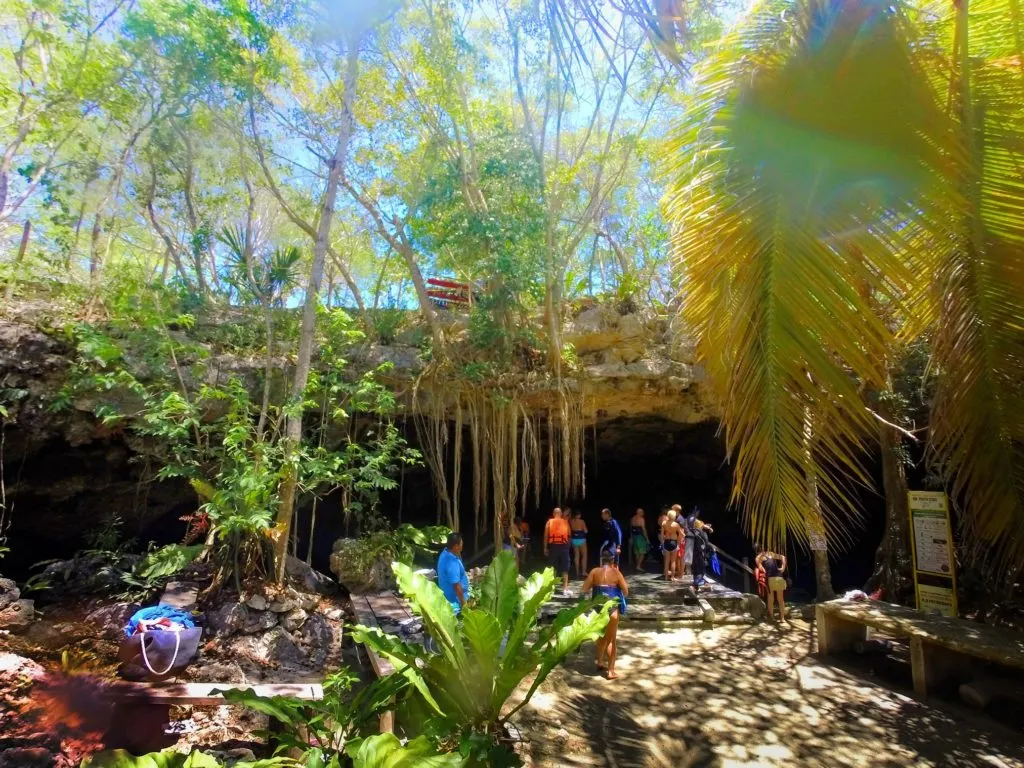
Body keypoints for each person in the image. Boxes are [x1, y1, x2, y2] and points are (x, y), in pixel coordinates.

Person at [583, 550, 629, 679]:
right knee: (611, 640)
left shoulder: (594, 572)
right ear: (613, 560)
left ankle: (600, 661)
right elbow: (626, 591)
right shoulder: (616, 572)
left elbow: (584, 589)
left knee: (600, 636)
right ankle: (611, 671)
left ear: (601, 560)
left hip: (598, 609)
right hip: (612, 609)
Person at [437, 532, 470, 615]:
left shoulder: (444, 553)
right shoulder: (452, 563)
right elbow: (456, 585)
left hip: (446, 596)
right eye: (461, 544)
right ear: (455, 546)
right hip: (454, 604)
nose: (462, 546)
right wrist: (463, 604)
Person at [755, 544, 788, 622]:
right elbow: (783, 557)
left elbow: (758, 563)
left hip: (770, 579)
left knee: (771, 599)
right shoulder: (771, 554)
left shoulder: (761, 557)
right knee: (780, 599)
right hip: (779, 577)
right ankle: (782, 618)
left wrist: (761, 566)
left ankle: (772, 617)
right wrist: (783, 567)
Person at [543, 507, 572, 594]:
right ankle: (565, 589)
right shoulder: (565, 522)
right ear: (561, 514)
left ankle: (551, 588)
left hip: (553, 546)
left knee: (552, 567)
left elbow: (546, 536)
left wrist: (545, 548)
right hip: (564, 546)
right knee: (565, 567)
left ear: (553, 514)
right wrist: (568, 547)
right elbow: (569, 534)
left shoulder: (549, 522)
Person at [660, 509, 682, 580]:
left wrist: (663, 541)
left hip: (666, 542)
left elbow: (662, 535)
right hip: (673, 542)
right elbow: (681, 534)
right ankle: (672, 577)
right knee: (673, 561)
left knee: (667, 561)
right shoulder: (676, 524)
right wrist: (678, 540)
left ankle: (666, 577)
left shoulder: (664, 523)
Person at [569, 509, 589, 578]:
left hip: (574, 539)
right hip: (581, 539)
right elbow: (586, 531)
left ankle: (577, 572)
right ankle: (583, 571)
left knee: (576, 556)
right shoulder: (581, 521)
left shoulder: (571, 521)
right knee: (584, 555)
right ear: (578, 515)